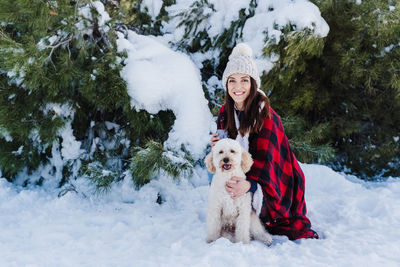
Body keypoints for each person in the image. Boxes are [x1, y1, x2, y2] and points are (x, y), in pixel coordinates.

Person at [211, 43, 318, 241]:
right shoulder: (224, 112)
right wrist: (218, 146)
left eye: (244, 80)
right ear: (226, 85)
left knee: (263, 217)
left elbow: (268, 159)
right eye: (232, 81)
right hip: (241, 169)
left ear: (252, 84)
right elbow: (227, 154)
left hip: (275, 178)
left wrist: (249, 185)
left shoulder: (265, 115)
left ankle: (256, 211)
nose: (238, 87)